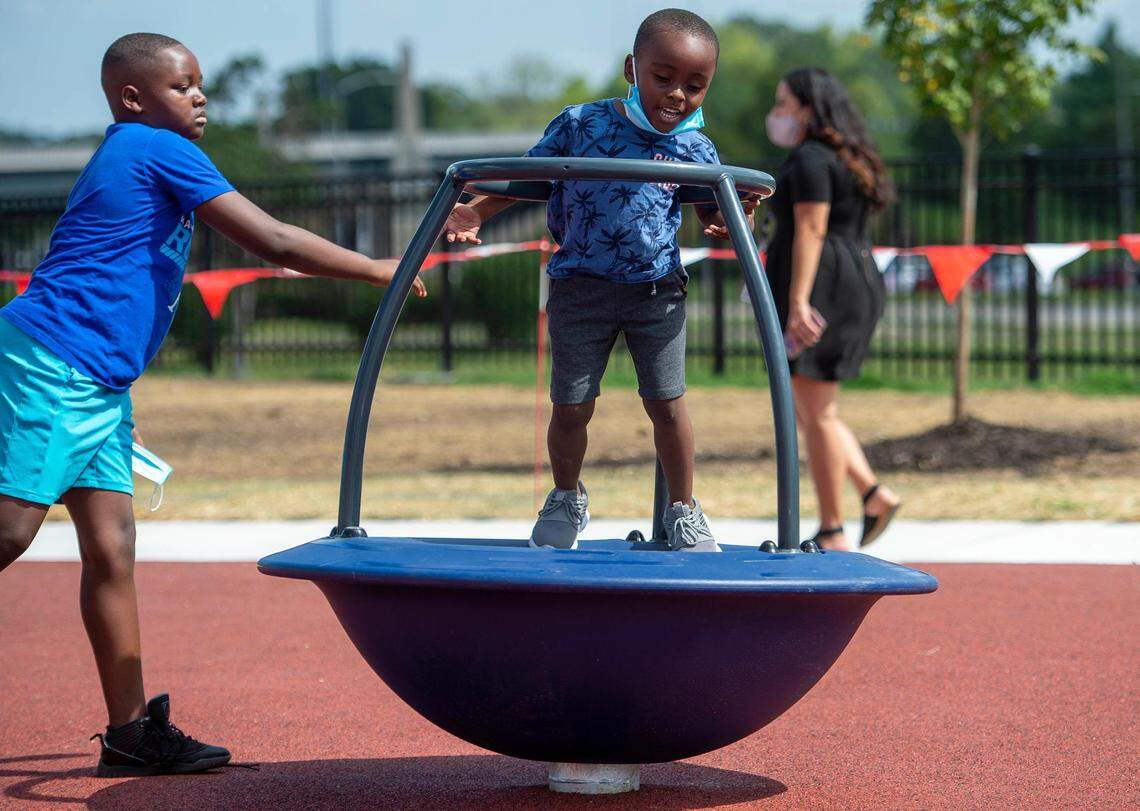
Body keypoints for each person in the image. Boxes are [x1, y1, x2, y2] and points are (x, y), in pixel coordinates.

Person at [0, 33, 424, 777]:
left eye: (200, 86)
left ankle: (131, 732)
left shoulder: (141, 153)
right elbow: (274, 238)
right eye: (182, 86)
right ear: (134, 98)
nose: (199, 98)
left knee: (111, 547)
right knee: (9, 531)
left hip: (100, 381)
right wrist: (376, 269)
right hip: (53, 362)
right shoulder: (150, 146)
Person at [445, 8, 748, 553]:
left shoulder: (694, 147)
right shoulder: (582, 123)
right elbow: (530, 177)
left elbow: (712, 213)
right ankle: (566, 496)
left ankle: (684, 508)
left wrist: (728, 219)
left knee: (667, 403)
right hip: (580, 286)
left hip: (656, 291)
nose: (677, 95)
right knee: (572, 404)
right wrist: (478, 211)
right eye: (664, 78)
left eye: (695, 86)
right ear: (632, 69)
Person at [763, 67, 900, 551]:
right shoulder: (848, 155)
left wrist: (798, 301)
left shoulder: (811, 158)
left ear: (807, 106)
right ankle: (871, 492)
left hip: (825, 287)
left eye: (783, 103)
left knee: (816, 411)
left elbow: (812, 230)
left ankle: (832, 528)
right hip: (854, 280)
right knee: (814, 408)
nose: (776, 114)